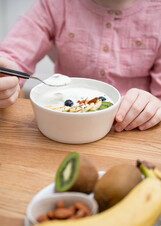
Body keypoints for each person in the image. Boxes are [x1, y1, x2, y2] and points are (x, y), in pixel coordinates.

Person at [0, 0, 161, 132]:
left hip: (129, 130)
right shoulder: (55, 4)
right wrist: (6, 78)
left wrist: (154, 105)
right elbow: (13, 54)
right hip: (63, 125)